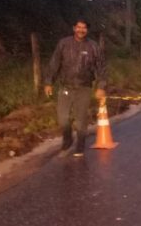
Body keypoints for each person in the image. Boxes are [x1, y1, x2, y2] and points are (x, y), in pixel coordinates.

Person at [44, 19, 107, 157]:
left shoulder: (93, 47)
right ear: (74, 28)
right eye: (78, 27)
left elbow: (101, 67)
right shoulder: (64, 44)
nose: (81, 30)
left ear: (87, 30)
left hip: (83, 88)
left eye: (84, 28)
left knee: (80, 119)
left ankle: (80, 145)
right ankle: (67, 141)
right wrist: (49, 82)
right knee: (63, 119)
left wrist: (101, 86)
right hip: (65, 87)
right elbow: (54, 63)